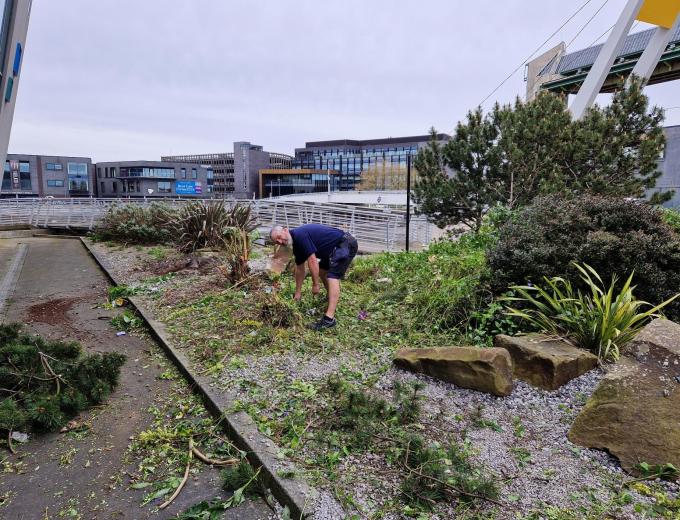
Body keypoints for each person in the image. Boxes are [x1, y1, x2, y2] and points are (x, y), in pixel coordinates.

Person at [270, 223, 358, 330]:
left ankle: (329, 319)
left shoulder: (299, 235)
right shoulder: (296, 243)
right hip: (334, 249)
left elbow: (312, 260)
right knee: (322, 271)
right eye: (276, 242)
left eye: (279, 237)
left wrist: (315, 284)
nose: (279, 241)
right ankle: (331, 297)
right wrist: (298, 292)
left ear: (285, 230)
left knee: (332, 276)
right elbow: (300, 268)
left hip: (345, 243)